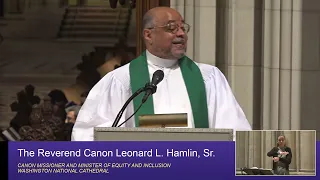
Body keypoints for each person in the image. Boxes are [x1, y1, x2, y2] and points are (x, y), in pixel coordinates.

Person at [71, 7, 252, 141]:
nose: (181, 34)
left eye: (183, 28)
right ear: (148, 35)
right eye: (171, 28)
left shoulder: (209, 77)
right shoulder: (120, 80)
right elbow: (88, 135)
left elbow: (235, 131)